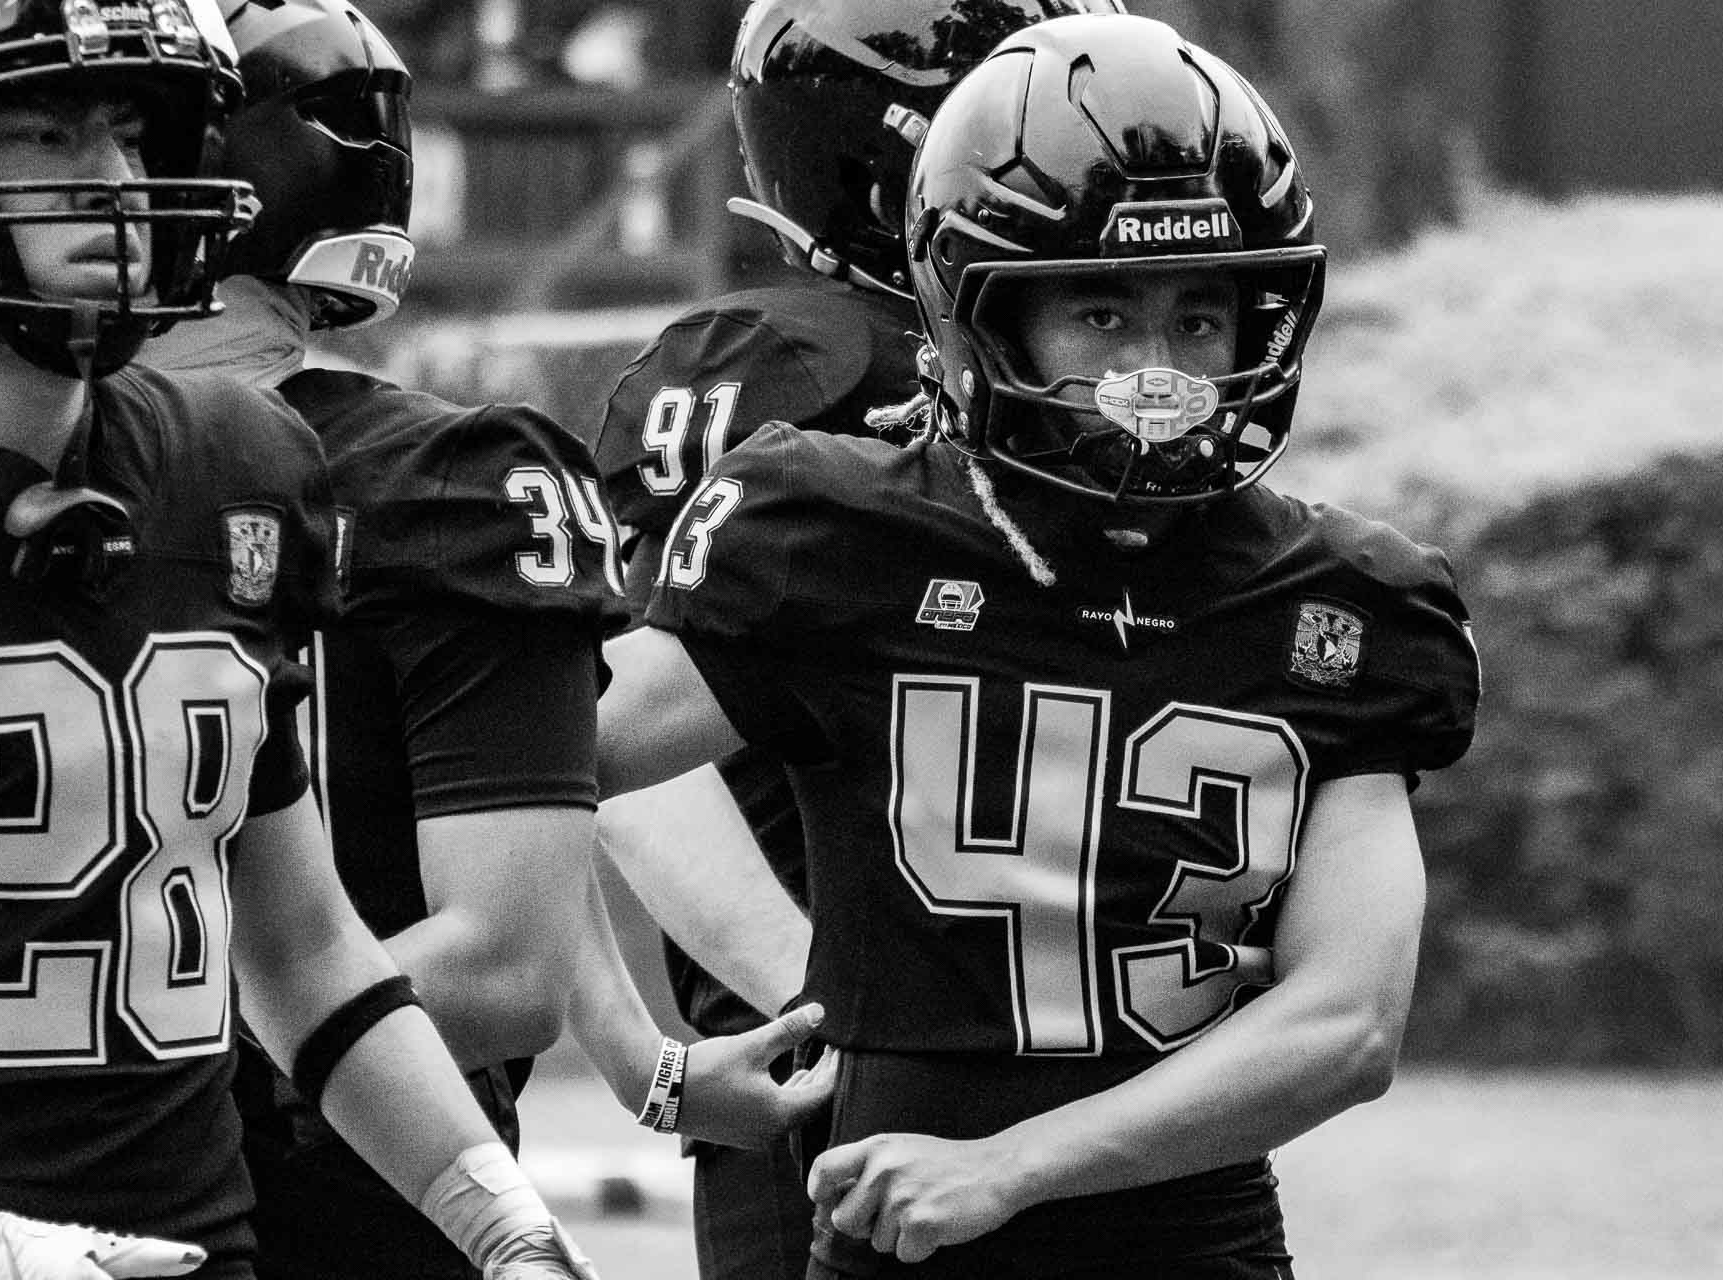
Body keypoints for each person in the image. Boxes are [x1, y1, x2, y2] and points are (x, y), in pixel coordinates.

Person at [594, 12, 1480, 1277]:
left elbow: (1347, 1022)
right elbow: (537, 767)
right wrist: (636, 1054)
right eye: (1102, 315)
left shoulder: (1342, 595)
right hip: (891, 1231)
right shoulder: (835, 528)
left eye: (1199, 317)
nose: (1158, 374)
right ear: (981, 319)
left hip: (1194, 1243)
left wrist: (1013, 1165)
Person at [137, 4, 832, 1277]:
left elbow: (507, 941)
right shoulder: (13, 477)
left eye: (106, 142)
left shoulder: (442, 485)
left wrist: (85, 1055)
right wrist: (641, 1058)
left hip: (344, 1213)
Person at [0, 3, 599, 1277]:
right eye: (44, 135)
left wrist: (502, 1224)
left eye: (130, 133)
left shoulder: (236, 461)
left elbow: (304, 952)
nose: (117, 183)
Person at [589, 2, 1123, 1276]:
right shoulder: (811, 366)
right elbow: (614, 745)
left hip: (1077, 1071)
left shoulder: (1067, 377)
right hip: (843, 1079)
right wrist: (822, 1005)